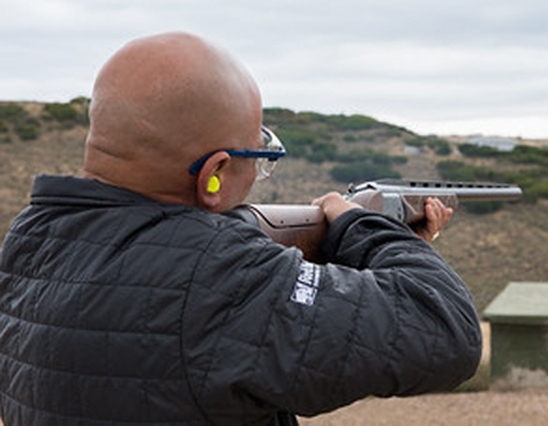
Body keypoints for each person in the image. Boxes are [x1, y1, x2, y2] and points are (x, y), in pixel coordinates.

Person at [0, 32, 482, 425]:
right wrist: (370, 232)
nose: (258, 176)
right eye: (261, 158)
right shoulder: (221, 274)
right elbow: (445, 331)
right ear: (214, 174)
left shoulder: (31, 238)